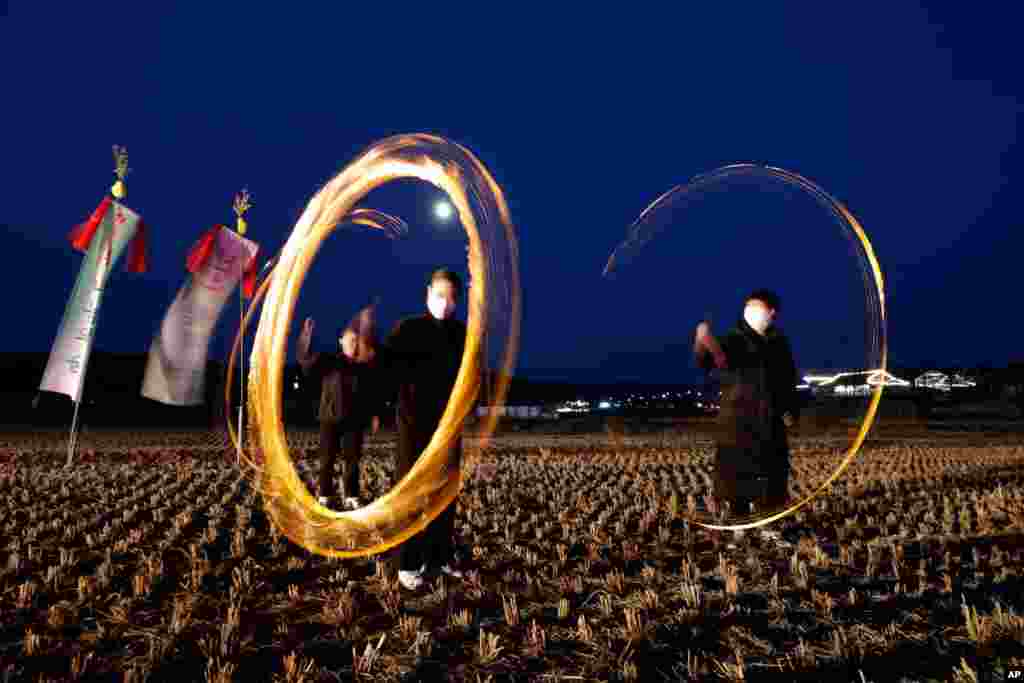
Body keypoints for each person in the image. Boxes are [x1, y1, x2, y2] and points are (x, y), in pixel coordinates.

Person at [383, 267, 472, 590]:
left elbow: (471, 377)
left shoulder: (463, 334)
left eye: (451, 298)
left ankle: (440, 556)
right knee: (410, 494)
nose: (444, 303)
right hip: (413, 426)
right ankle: (406, 563)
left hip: (448, 426)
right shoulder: (408, 329)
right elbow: (385, 365)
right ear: (427, 295)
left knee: (444, 494)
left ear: (458, 301)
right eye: (439, 296)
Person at [694, 289, 800, 545]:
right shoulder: (733, 338)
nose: (751, 310)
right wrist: (702, 341)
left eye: (757, 306)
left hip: (771, 420)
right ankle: (739, 526)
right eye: (748, 305)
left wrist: (790, 411)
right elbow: (709, 361)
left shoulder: (779, 342)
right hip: (738, 419)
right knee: (736, 478)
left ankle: (767, 526)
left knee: (772, 477)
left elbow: (788, 380)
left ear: (772, 312)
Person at [297, 307, 383, 511]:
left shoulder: (364, 367)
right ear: (341, 341)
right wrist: (306, 337)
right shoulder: (329, 361)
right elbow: (305, 362)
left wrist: (374, 414)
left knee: (352, 460)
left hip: (354, 420)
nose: (353, 345)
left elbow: (371, 393)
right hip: (330, 418)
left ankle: (351, 495)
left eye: (356, 341)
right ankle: (325, 494)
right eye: (349, 341)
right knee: (327, 459)